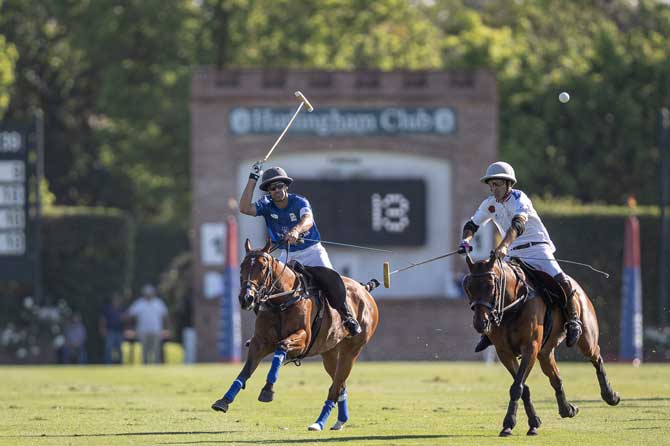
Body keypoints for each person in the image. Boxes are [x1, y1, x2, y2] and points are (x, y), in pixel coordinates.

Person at [458, 161, 582, 352]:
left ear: (508, 184)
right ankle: (488, 333)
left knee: (562, 281)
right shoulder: (489, 204)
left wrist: (504, 246)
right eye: (491, 185)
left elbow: (518, 225)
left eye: (497, 184)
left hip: (537, 249)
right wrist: (466, 241)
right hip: (513, 253)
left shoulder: (519, 198)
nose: (494, 189)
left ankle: (573, 322)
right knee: (495, 286)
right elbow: (472, 225)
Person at [239, 162, 362, 336]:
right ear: (268, 191)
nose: (277, 190)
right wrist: (253, 178)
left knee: (332, 280)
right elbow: (244, 208)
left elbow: (308, 219)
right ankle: (265, 333)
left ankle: (347, 317)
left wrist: (296, 230)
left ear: (286, 186)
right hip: (288, 254)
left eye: (280, 185)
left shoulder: (299, 202)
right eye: (272, 187)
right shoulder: (266, 205)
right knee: (266, 287)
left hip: (312, 251)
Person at [127, 284, 169, 364]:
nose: (149, 295)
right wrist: (130, 328)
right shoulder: (139, 303)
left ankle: (157, 366)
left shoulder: (158, 303)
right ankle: (144, 366)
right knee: (144, 351)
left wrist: (167, 329)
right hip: (143, 331)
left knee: (156, 350)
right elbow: (130, 314)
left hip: (156, 331)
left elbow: (165, 316)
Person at [99, 293, 125, 364]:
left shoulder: (122, 308)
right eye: (115, 299)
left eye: (118, 299)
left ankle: (120, 363)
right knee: (108, 348)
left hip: (119, 331)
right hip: (110, 331)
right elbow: (103, 319)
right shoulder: (107, 308)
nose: (117, 301)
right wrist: (102, 328)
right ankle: (108, 363)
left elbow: (125, 319)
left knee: (120, 349)